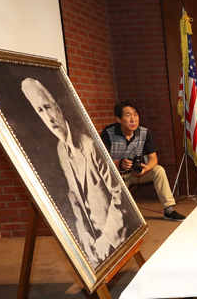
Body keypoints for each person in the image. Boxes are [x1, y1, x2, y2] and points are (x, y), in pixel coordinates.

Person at [21, 79, 131, 265]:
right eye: (40, 111)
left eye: (47, 107)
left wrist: (107, 237)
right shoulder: (60, 149)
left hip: (116, 234)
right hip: (94, 241)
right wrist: (84, 235)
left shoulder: (88, 144)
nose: (48, 117)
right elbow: (74, 197)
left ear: (58, 108)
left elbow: (119, 192)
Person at [101, 101, 185, 222]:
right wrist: (119, 163)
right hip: (115, 177)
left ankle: (169, 210)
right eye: (128, 115)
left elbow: (153, 158)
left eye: (135, 115)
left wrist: (146, 169)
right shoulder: (108, 133)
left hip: (134, 174)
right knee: (114, 216)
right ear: (118, 119)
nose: (133, 119)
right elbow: (102, 161)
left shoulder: (145, 133)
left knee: (158, 170)